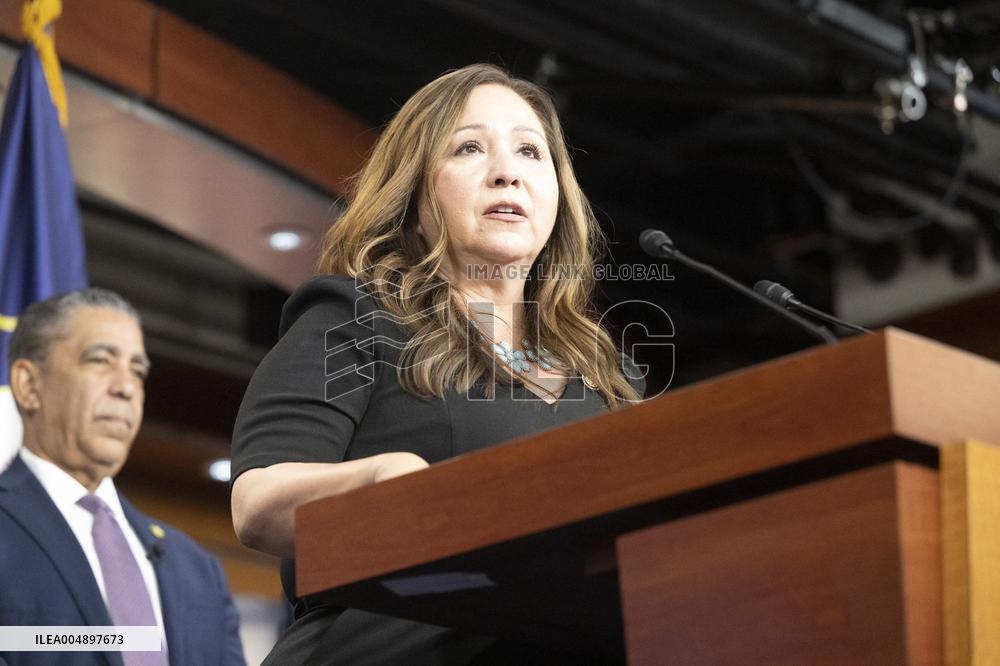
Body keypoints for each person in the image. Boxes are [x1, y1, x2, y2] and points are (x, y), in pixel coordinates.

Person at [231, 63, 646, 664]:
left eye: (531, 152)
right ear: (416, 190)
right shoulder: (356, 319)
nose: (507, 171)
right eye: (470, 147)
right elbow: (259, 504)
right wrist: (380, 480)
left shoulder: (611, 376)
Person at [0, 288, 245, 666]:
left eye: (137, 371)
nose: (126, 387)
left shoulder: (196, 569)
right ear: (29, 385)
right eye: (100, 360)